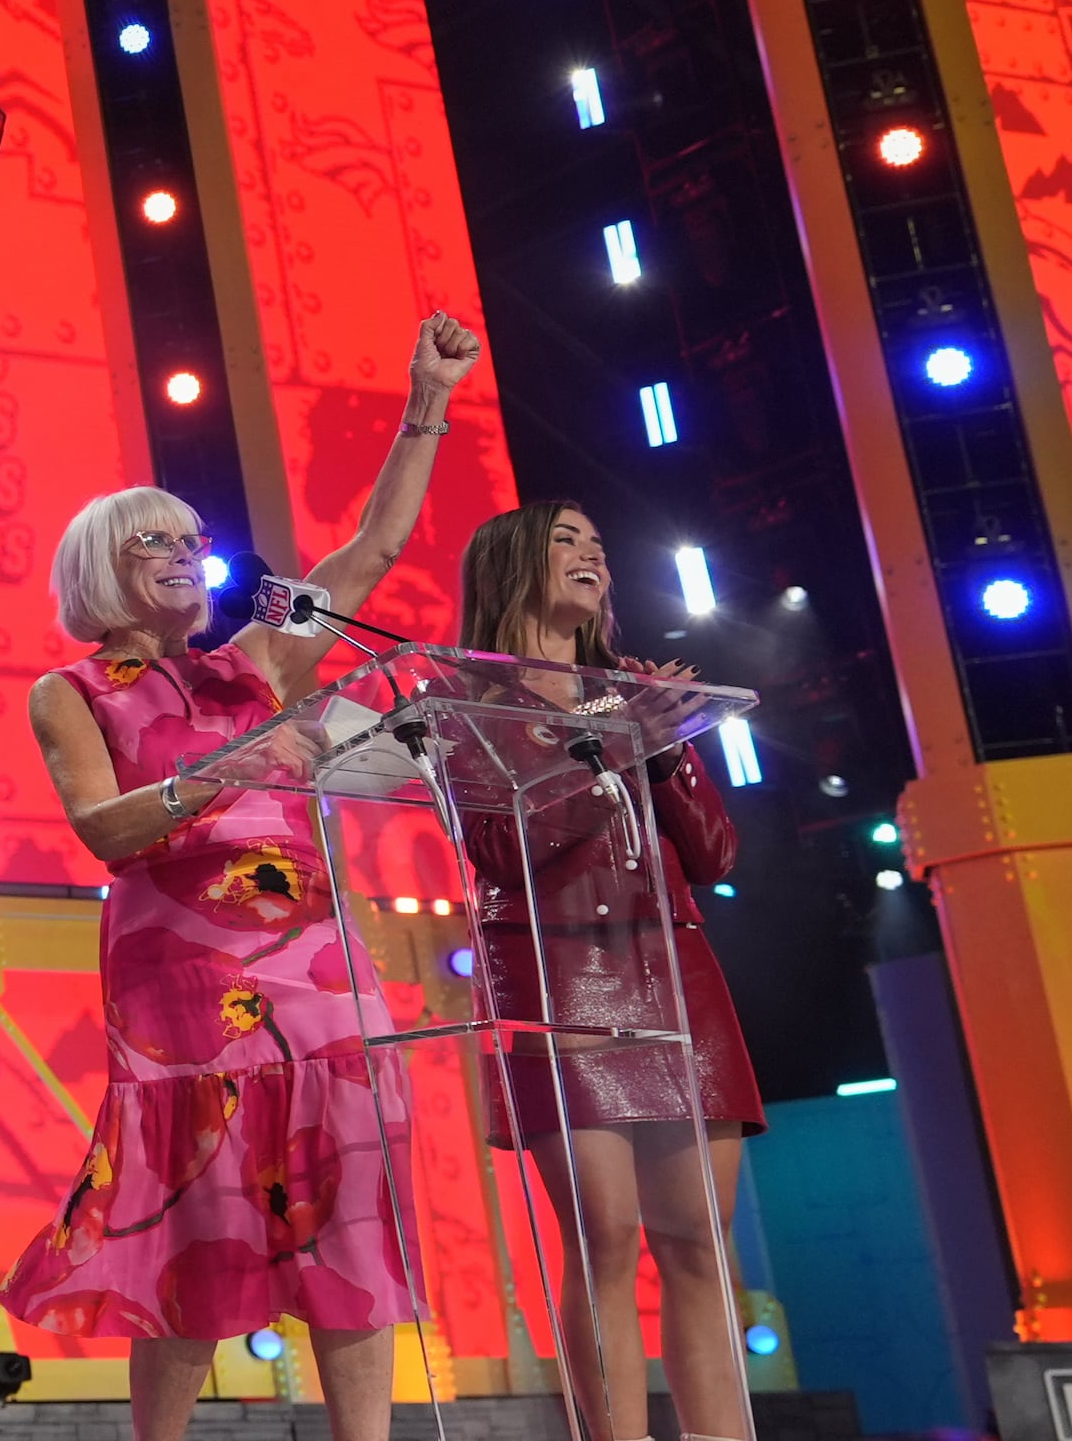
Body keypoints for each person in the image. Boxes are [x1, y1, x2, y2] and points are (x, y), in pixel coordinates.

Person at [0, 311, 485, 1441]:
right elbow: (101, 832)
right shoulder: (74, 690)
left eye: (189, 538)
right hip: (182, 1000)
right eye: (153, 543)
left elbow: (367, 552)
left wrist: (427, 403)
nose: (184, 555)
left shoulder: (257, 662)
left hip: (322, 977)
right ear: (98, 573)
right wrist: (223, 771)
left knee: (350, 1216)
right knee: (195, 1222)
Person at [452, 500, 763, 1441]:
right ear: (511, 565)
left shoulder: (624, 688)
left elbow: (713, 853)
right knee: (607, 1239)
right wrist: (611, 738)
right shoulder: (469, 697)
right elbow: (508, 850)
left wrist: (661, 750)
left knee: (701, 1243)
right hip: (559, 969)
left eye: (599, 544)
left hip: (672, 964)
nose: (593, 557)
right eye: (566, 541)